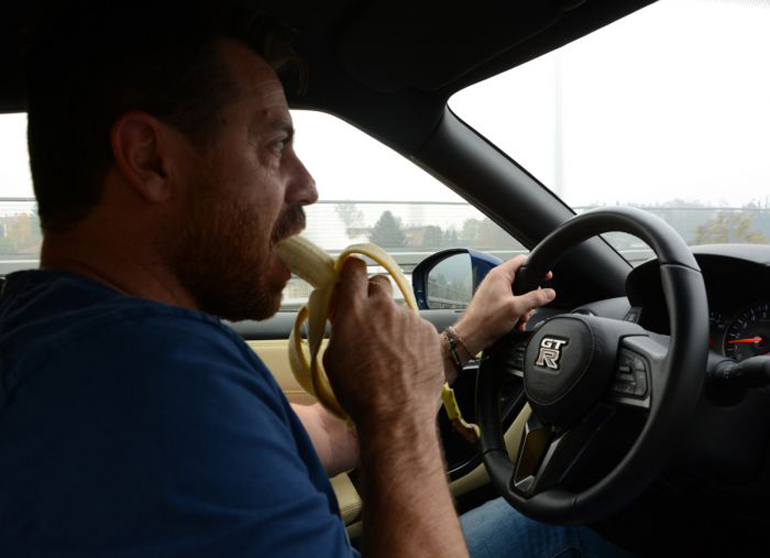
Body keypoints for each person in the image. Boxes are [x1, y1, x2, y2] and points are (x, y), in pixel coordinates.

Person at [0, 4, 632, 557]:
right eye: (275, 145)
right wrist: (400, 415)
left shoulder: (57, 334)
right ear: (150, 159)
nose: (306, 186)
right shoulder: (157, 386)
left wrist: (456, 342)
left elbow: (323, 433)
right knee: (590, 527)